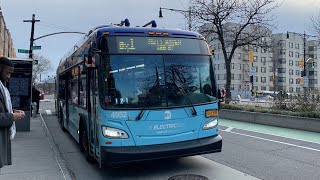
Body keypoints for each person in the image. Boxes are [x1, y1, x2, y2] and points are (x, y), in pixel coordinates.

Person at [0, 56, 25, 171]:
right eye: (7, 73)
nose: (9, 77)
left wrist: (13, 112)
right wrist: (12, 116)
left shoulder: (2, 87)